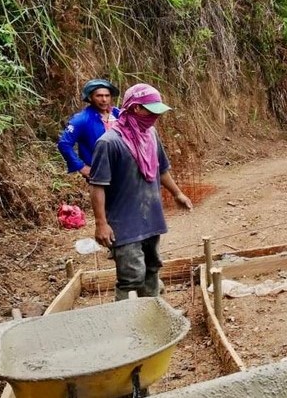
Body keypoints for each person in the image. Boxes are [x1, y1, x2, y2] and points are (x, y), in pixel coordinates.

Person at [89, 84, 193, 301]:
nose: (156, 116)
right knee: (131, 277)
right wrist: (101, 223)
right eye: (151, 110)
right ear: (136, 108)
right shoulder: (109, 143)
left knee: (152, 268)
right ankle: (125, 325)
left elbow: (160, 169)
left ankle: (153, 317)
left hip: (151, 217)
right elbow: (97, 185)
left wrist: (177, 193)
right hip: (124, 223)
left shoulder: (150, 135)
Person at [58, 78, 121, 178]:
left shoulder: (119, 114)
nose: (104, 99)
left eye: (107, 95)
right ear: (90, 98)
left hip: (122, 171)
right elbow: (64, 144)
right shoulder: (81, 119)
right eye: (99, 96)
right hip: (99, 173)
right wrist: (81, 167)